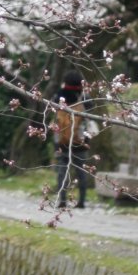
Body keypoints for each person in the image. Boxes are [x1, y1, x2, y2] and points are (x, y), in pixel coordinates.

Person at [54, 71, 89, 209]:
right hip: (80, 140)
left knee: (62, 171)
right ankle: (82, 201)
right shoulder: (84, 97)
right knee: (81, 172)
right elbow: (90, 113)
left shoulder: (59, 95)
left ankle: (62, 200)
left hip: (62, 140)